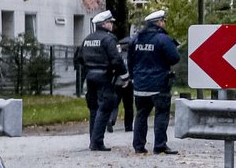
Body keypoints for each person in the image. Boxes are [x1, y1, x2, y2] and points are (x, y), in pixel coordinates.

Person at [127, 8, 180, 155]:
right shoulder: (163, 39)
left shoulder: (136, 40)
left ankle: (138, 146)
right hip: (159, 83)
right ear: (159, 22)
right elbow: (174, 58)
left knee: (141, 114)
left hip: (140, 84)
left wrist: (134, 77)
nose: (165, 24)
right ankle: (160, 145)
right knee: (161, 113)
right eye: (164, 21)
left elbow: (130, 61)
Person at [75, 9, 125, 151]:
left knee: (93, 108)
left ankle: (93, 139)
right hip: (105, 76)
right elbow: (116, 59)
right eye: (110, 22)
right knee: (105, 107)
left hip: (90, 76)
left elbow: (79, 58)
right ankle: (97, 142)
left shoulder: (88, 39)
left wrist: (89, 68)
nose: (112, 25)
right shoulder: (109, 39)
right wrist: (124, 75)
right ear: (104, 24)